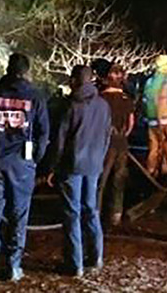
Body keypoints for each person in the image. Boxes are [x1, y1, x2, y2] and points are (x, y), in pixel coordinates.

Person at [0, 53, 50, 287]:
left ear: (7, 69)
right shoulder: (35, 97)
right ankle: (14, 266)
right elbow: (44, 133)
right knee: (18, 216)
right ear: (26, 71)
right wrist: (35, 159)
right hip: (22, 165)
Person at [49, 65, 111, 276]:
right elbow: (106, 136)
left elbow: (59, 140)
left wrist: (52, 166)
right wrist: (100, 160)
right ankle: (96, 257)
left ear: (75, 80)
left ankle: (74, 263)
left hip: (72, 166)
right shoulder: (103, 105)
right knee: (91, 210)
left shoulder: (70, 106)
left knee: (72, 213)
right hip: (94, 165)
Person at [97, 64, 135, 227]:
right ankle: (116, 215)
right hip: (121, 145)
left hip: (104, 145)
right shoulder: (127, 100)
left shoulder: (100, 99)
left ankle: (95, 213)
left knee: (101, 180)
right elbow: (130, 123)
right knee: (118, 180)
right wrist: (123, 136)